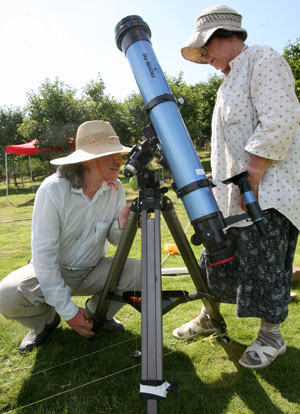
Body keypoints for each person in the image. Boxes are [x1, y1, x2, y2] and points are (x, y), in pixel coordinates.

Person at [173, 5, 300, 369]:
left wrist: (254, 180)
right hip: (234, 196)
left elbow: (281, 118)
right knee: (215, 259)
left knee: (267, 265)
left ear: (224, 35)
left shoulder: (263, 58)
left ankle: (272, 338)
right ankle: (210, 315)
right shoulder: (227, 82)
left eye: (205, 47)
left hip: (268, 194)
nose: (203, 56)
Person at [0, 120, 141, 353]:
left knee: (141, 272)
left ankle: (97, 315)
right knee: (5, 296)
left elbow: (114, 239)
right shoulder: (52, 190)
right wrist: (68, 312)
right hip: (54, 269)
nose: (119, 160)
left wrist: (122, 225)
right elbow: (44, 259)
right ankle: (45, 322)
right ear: (86, 160)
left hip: (93, 269)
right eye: (110, 155)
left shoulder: (114, 188)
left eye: (119, 154)